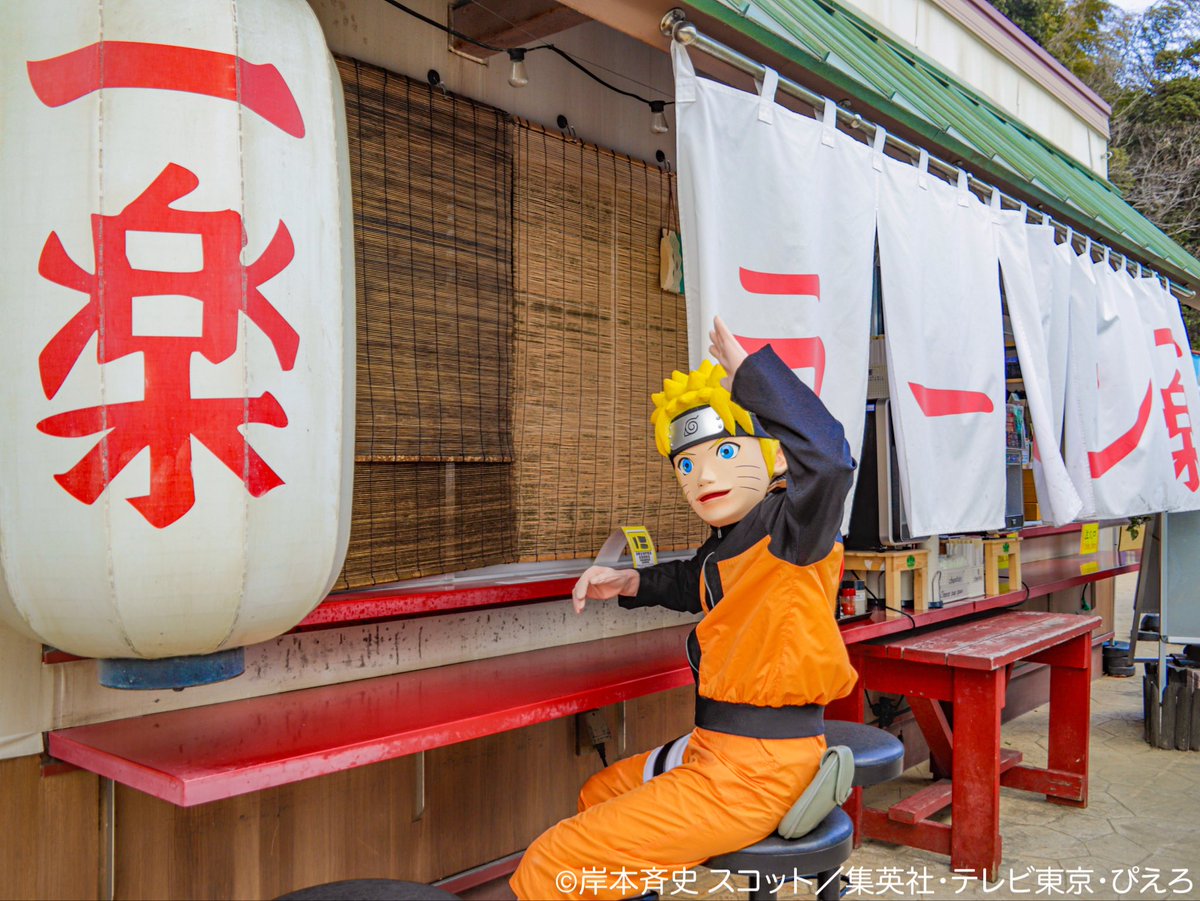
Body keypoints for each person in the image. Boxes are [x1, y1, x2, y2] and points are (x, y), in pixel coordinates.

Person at [510, 317, 858, 900]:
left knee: (553, 865)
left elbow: (830, 459)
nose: (702, 477)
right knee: (600, 793)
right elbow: (690, 581)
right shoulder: (733, 542)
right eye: (687, 465)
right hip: (713, 747)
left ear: (773, 458)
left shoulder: (792, 530)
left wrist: (753, 375)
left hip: (759, 768)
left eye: (725, 451)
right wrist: (625, 583)